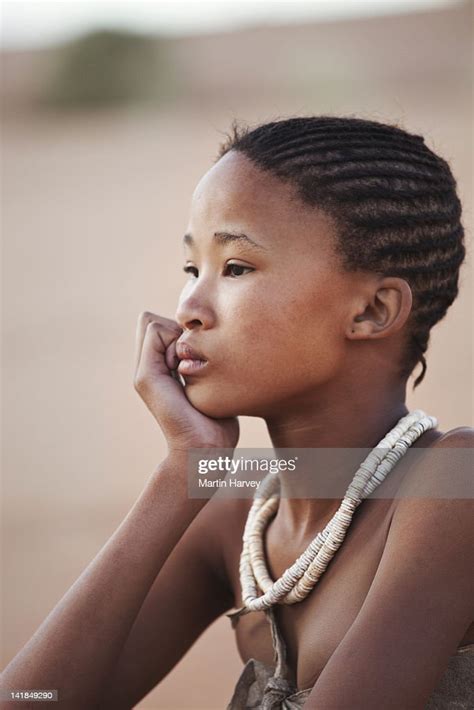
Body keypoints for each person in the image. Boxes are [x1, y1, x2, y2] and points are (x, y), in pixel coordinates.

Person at [1, 116, 473, 710]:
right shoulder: (236, 516)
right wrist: (187, 469)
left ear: (373, 310)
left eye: (236, 268)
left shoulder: (454, 485)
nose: (190, 308)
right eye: (191, 269)